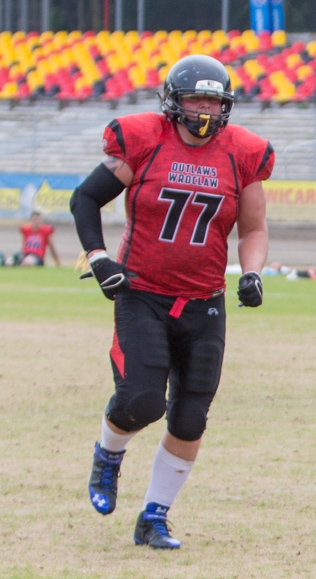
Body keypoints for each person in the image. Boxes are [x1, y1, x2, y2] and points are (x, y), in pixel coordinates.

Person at [72, 54, 273, 549]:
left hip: (204, 300)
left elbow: (254, 228)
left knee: (190, 417)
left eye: (213, 99)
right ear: (172, 101)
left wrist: (252, 272)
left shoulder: (242, 152)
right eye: (195, 98)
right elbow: (84, 199)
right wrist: (99, 258)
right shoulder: (142, 139)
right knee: (141, 401)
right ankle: (109, 453)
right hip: (142, 292)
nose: (204, 109)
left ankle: (154, 516)